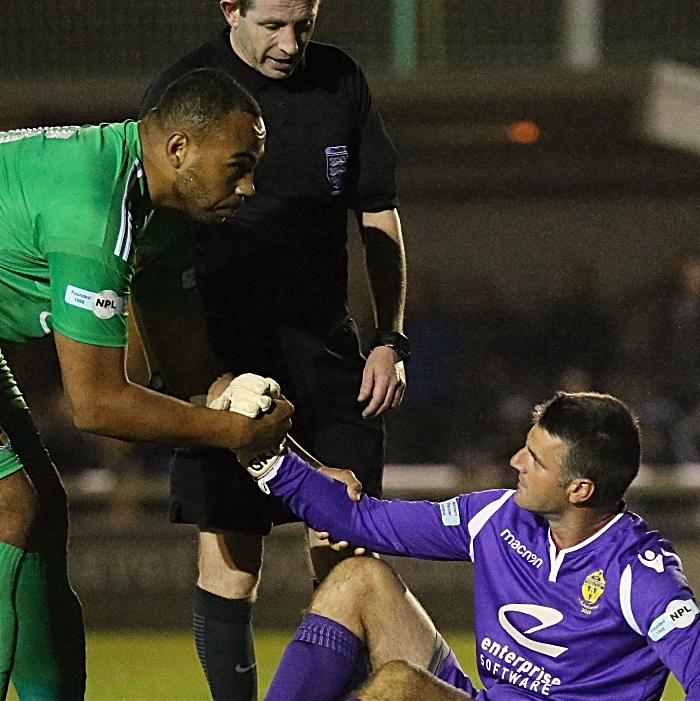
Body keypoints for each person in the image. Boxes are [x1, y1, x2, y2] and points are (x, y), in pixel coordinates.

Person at [140, 2, 407, 697]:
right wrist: (176, 365)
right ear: (231, 8)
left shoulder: (340, 80)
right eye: (273, 26)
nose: (291, 44)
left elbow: (376, 210)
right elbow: (149, 235)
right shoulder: (185, 91)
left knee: (347, 555)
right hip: (222, 358)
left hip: (326, 351)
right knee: (230, 563)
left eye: (305, 25)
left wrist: (389, 339)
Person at [0, 68, 294, 700]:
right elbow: (99, 403)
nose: (248, 186)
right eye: (237, 165)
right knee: (12, 505)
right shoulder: (95, 204)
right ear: (179, 149)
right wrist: (229, 430)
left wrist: (294, 457)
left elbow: (190, 372)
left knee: (41, 511)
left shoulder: (164, 215)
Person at [235, 392, 700, 700]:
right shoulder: (498, 517)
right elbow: (363, 520)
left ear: (579, 490)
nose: (516, 460)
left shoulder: (640, 574)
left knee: (397, 688)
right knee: (357, 579)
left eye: (534, 460)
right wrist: (266, 455)